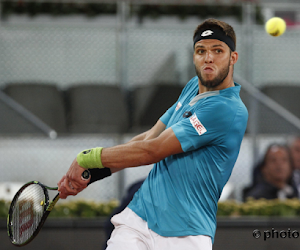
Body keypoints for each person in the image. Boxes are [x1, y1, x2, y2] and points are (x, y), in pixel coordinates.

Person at [57, 18, 248, 250]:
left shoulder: (227, 109)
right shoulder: (192, 87)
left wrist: (86, 158)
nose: (208, 58)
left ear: (233, 58)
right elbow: (149, 138)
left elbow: (152, 151)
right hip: (139, 218)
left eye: (218, 50)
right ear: (194, 56)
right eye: (201, 51)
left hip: (186, 233)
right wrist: (93, 173)